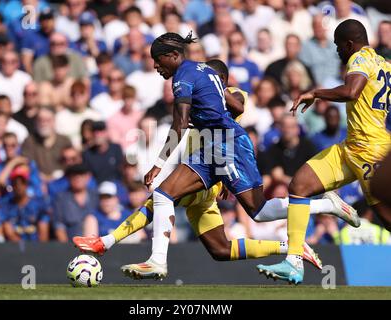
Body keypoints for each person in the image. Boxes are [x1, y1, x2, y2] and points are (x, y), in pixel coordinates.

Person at [73, 56, 353, 279]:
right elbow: (181, 130)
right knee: (221, 248)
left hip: (211, 171)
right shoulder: (193, 94)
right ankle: (293, 245)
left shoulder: (230, 94)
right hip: (200, 168)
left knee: (159, 198)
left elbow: (239, 107)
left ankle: (108, 243)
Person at [257, 19, 391, 284]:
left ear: (349, 44)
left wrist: (316, 92)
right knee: (300, 185)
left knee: (387, 219)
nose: (337, 51)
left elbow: (352, 91)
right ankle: (294, 261)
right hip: (351, 146)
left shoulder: (360, 59)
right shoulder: (384, 63)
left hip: (369, 151)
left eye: (338, 46)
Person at [21, 106, 72, 182]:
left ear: (54, 121)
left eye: (47, 120)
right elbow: (27, 164)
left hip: (62, 181)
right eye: (40, 120)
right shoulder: (29, 141)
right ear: (35, 122)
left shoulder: (65, 141)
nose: (43, 123)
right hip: (37, 181)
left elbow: (71, 163)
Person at [1, 167, 50, 242]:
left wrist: (39, 250)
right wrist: (23, 250)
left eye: (22, 183)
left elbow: (43, 231)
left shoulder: (38, 205)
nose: (19, 186)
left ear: (27, 185)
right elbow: (9, 232)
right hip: (15, 248)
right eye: (15, 184)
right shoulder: (7, 206)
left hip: (37, 248)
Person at [52, 164, 98, 242]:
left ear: (88, 176)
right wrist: (66, 249)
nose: (78, 178)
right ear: (68, 178)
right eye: (74, 175)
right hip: (71, 245)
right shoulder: (61, 199)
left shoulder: (96, 196)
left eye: (81, 174)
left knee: (91, 220)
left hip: (96, 246)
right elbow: (59, 226)